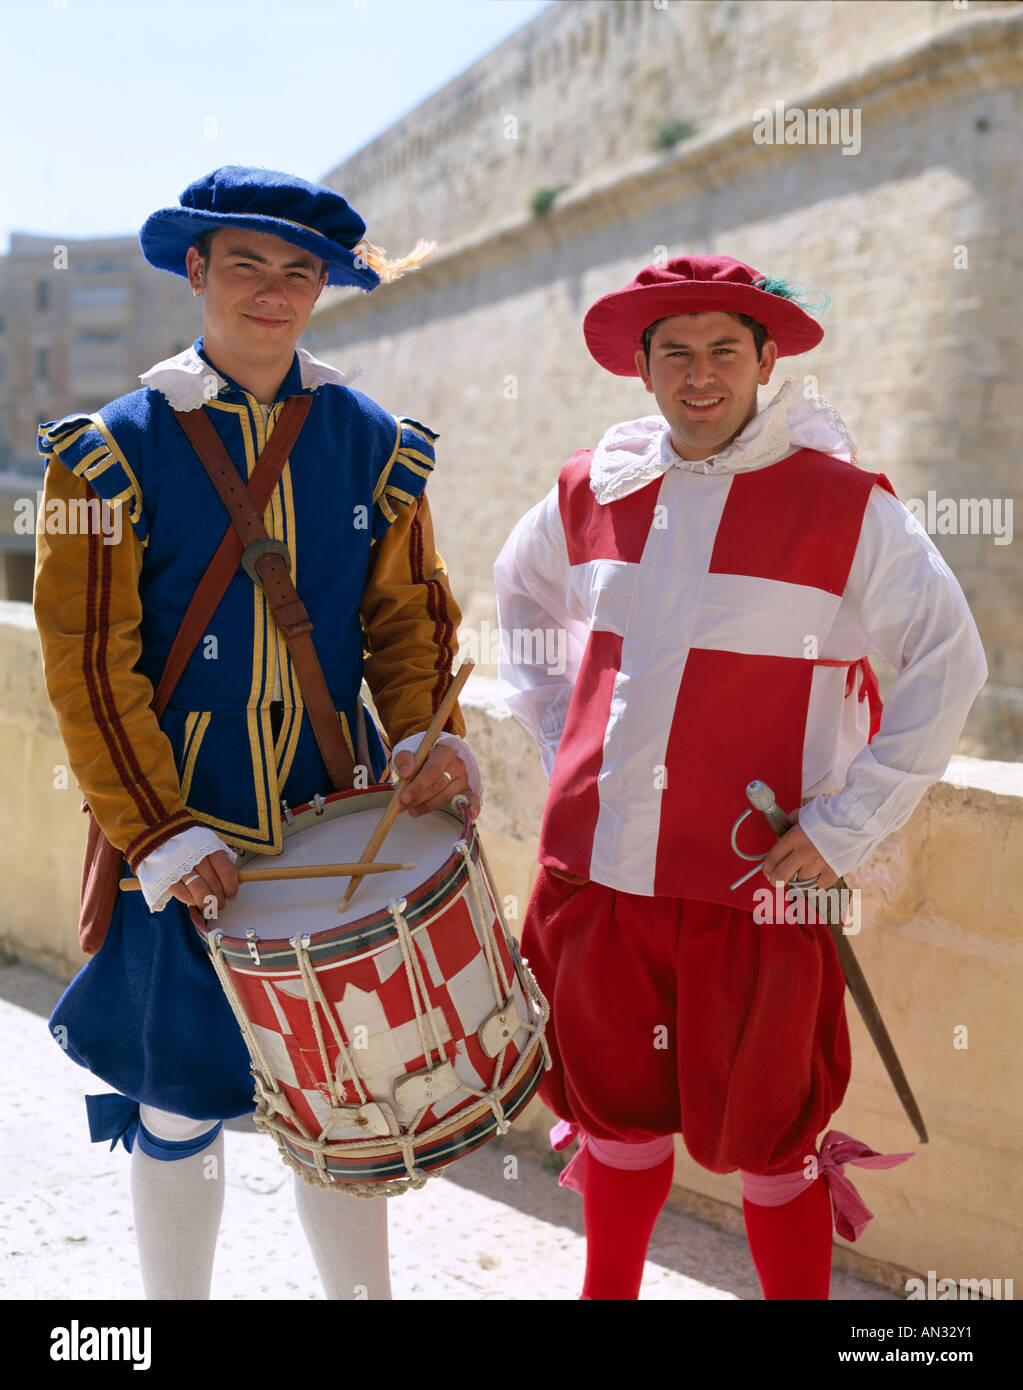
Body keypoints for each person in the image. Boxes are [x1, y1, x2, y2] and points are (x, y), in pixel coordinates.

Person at [494, 254, 987, 1300]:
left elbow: (952, 659)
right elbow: (521, 592)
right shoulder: (592, 489)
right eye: (675, 351)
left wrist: (849, 825)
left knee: (775, 1139)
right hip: (605, 881)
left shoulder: (844, 506)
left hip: (759, 887)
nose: (700, 374)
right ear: (644, 369)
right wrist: (556, 738)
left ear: (768, 359)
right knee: (615, 1115)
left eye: (725, 348)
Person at [34, 165, 480, 1300]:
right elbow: (91, 663)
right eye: (247, 264)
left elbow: (408, 620)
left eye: (300, 271)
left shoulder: (373, 443)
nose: (274, 291)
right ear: (197, 271)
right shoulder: (107, 451)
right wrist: (158, 832)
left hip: (334, 838)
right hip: (191, 840)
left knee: (345, 1097)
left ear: (323, 287)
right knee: (179, 1097)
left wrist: (433, 737)